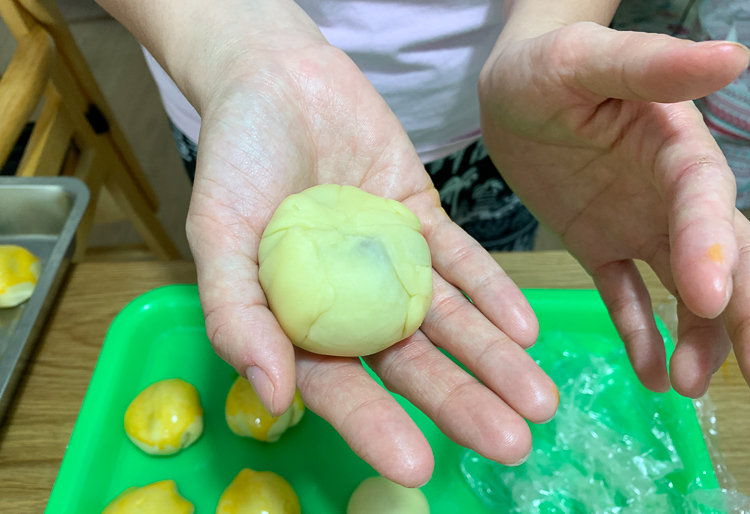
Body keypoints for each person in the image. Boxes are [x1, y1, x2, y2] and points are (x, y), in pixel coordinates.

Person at [96, 0, 750, 488]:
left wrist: (549, 28)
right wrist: (237, 46)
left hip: (506, 122)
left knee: (491, 276)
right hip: (231, 86)